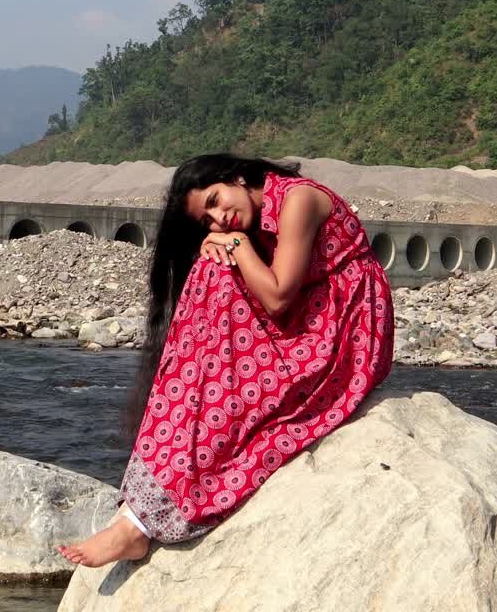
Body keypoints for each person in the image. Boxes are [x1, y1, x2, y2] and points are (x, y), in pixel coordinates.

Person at [58, 153, 394, 567]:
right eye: (208, 220)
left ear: (236, 177)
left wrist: (235, 244)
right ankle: (139, 513)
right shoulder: (253, 216)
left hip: (347, 328)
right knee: (210, 271)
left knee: (222, 276)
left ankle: (139, 522)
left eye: (216, 200)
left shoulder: (298, 201)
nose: (220, 218)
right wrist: (222, 247)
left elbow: (278, 295)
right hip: (312, 316)